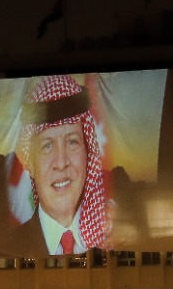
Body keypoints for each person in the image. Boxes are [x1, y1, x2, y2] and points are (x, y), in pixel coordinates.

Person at [12, 74, 112, 255]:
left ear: (88, 152)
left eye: (72, 142)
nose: (61, 163)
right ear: (30, 164)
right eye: (47, 146)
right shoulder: (11, 248)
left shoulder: (113, 241)